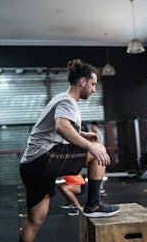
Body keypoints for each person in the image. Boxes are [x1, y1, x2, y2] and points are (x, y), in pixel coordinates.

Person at [19, 59, 119, 242]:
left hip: (30, 165)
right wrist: (90, 146)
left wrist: (82, 133)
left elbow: (57, 126)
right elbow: (61, 127)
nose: (94, 89)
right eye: (93, 84)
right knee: (99, 150)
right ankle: (93, 205)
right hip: (44, 158)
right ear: (82, 81)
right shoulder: (68, 101)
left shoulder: (59, 98)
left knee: (35, 219)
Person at [90, 121, 106, 194]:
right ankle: (99, 187)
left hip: (100, 154)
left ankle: (100, 187)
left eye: (92, 126)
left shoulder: (98, 134)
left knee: (99, 172)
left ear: (96, 126)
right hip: (98, 153)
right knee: (97, 172)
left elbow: (98, 144)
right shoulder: (95, 133)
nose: (91, 127)